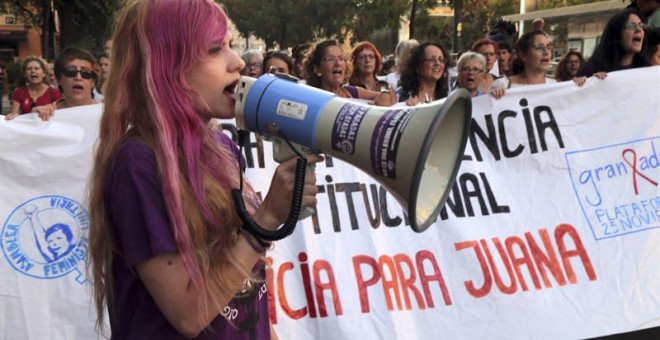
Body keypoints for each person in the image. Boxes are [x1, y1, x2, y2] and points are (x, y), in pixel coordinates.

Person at [87, 0, 322, 338]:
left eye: (230, 45)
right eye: (215, 49)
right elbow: (187, 315)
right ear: (168, 68)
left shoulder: (222, 148)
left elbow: (245, 287)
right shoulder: (138, 163)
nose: (238, 61)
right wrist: (266, 219)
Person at [304, 39, 392, 105]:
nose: (338, 63)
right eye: (330, 59)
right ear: (317, 69)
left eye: (341, 59)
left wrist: (385, 95)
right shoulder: (310, 98)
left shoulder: (352, 92)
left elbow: (390, 95)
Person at [577, 9, 649, 77]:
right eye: (631, 26)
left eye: (641, 25)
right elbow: (575, 87)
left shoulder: (648, 70)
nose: (639, 29)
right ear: (616, 33)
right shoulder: (593, 67)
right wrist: (593, 82)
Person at [6, 55, 61, 121]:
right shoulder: (19, 92)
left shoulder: (53, 92)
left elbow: (60, 115)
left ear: (44, 73)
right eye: (29, 69)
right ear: (25, 74)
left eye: (36, 68)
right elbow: (13, 116)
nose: (33, 71)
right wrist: (14, 116)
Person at [397, 41, 450, 105]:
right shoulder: (405, 96)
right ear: (417, 66)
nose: (437, 63)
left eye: (441, 60)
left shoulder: (447, 96)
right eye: (431, 59)